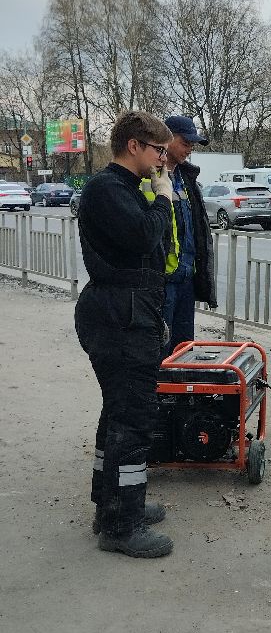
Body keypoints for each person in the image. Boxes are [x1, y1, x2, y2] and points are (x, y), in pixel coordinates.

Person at [74, 111, 175, 558]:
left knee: (118, 415)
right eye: (158, 151)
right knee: (133, 420)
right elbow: (143, 238)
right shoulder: (108, 189)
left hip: (127, 312)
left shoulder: (121, 189)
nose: (161, 161)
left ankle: (110, 503)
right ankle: (121, 524)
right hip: (120, 316)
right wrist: (163, 199)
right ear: (134, 145)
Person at [141, 114, 217, 354]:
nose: (190, 149)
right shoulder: (147, 176)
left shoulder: (186, 178)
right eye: (186, 143)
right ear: (167, 139)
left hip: (185, 279)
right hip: (162, 282)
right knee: (159, 352)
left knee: (184, 351)